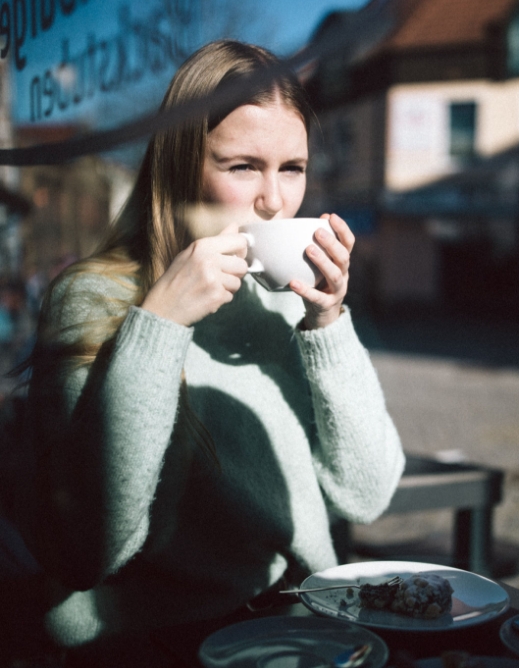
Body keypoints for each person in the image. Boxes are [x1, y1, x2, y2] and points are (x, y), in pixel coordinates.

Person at [17, 40, 405, 663]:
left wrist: (329, 322)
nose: (274, 201)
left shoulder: (282, 299)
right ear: (179, 168)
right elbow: (89, 549)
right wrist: (160, 324)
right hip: (147, 642)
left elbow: (368, 495)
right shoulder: (94, 298)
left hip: (291, 621)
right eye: (243, 166)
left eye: (293, 168)